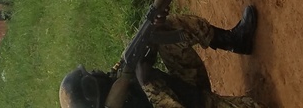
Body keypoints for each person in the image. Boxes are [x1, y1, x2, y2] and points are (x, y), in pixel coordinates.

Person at [58, 6, 264, 108]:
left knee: (166, 30)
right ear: (93, 89)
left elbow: (141, 57)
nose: (95, 71)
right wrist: (147, 83)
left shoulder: (118, 79)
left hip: (189, 88)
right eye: (90, 75)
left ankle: (236, 40)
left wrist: (152, 33)